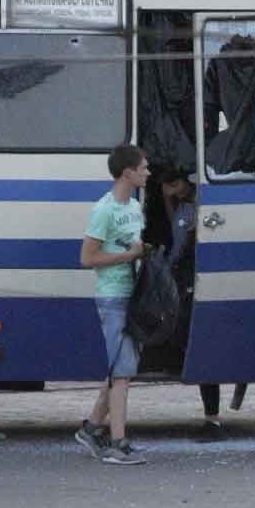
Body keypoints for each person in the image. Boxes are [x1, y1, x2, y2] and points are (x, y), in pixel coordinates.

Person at [73, 143, 150, 466]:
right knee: (122, 374)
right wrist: (127, 256)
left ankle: (92, 429)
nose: (148, 172)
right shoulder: (104, 210)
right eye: (143, 167)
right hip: (112, 295)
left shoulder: (134, 207)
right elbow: (87, 258)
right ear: (127, 172)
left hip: (132, 295)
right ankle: (118, 443)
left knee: (121, 369)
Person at [157, 168, 225, 440]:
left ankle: (213, 417)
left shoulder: (200, 209)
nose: (171, 189)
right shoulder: (185, 208)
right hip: (184, 279)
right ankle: (212, 417)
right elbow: (175, 226)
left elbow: (182, 239)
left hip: (191, 280)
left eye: (174, 183)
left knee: (198, 341)